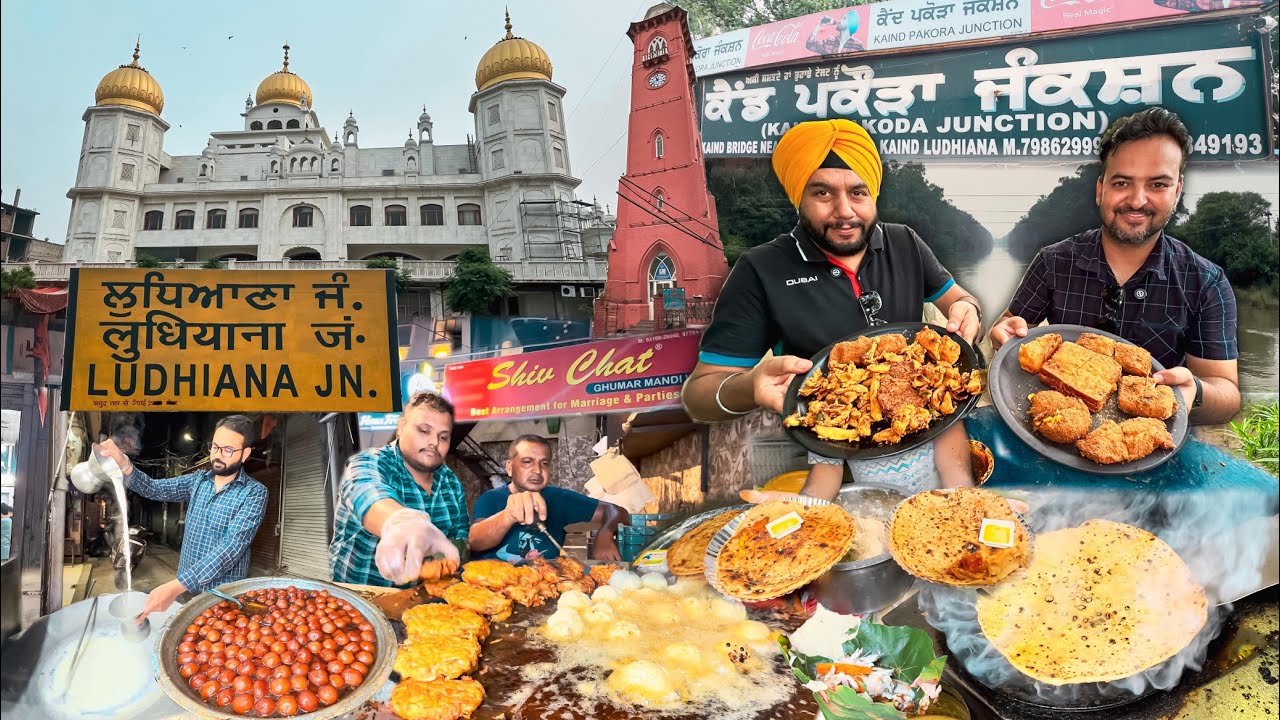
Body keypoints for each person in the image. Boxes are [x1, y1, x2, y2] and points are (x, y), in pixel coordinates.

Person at [681, 118, 983, 498]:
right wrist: (749, 388)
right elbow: (698, 395)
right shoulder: (760, 270)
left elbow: (957, 298)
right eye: (823, 194)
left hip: (928, 437)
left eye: (858, 194)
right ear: (799, 199)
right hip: (829, 455)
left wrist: (968, 309)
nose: (845, 212)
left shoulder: (905, 243)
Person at [990, 108, 1241, 425]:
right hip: (1056, 422)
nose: (1137, 200)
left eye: (1158, 185)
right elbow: (1010, 324)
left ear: (1177, 191)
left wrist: (1196, 391)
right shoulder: (1054, 260)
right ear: (1100, 190)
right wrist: (1004, 335)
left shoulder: (1206, 283)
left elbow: (1227, 393)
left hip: (1151, 446)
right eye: (1122, 182)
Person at [96, 415, 268, 623]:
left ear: (245, 454)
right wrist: (124, 464)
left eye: (228, 450)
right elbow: (154, 488)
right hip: (186, 589)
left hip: (222, 596)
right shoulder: (197, 481)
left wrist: (175, 586)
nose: (217, 455)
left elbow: (231, 548)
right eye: (214, 447)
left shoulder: (254, 493)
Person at [330, 392, 468, 587]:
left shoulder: (451, 483)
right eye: (424, 430)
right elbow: (365, 490)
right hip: (361, 602)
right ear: (401, 427)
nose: (434, 442)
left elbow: (460, 538)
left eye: (443, 437)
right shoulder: (371, 463)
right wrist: (399, 522)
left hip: (423, 607)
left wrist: (442, 561)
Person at [470, 435, 629, 563]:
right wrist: (508, 515)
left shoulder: (557, 497)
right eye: (527, 462)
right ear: (510, 468)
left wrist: (605, 534)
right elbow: (474, 542)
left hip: (546, 589)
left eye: (544, 463)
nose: (537, 470)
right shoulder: (490, 499)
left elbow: (618, 512)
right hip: (494, 592)